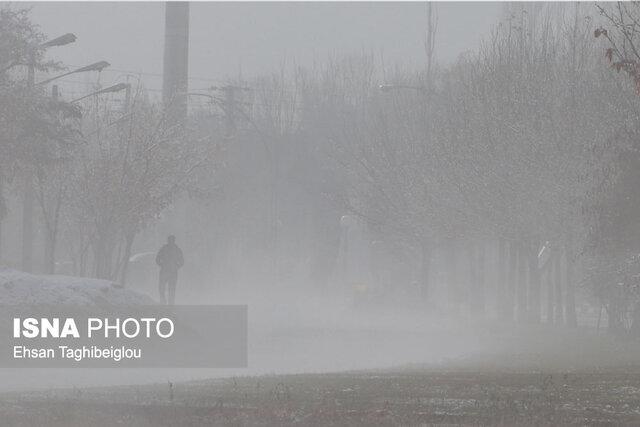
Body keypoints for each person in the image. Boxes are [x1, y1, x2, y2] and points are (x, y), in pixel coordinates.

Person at [155, 235, 184, 305]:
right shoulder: (176, 249)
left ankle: (166, 303)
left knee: (166, 288)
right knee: (169, 289)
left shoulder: (166, 249)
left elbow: (157, 259)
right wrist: (176, 266)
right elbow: (181, 261)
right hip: (170, 272)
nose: (170, 241)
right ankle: (168, 303)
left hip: (167, 272)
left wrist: (162, 265)